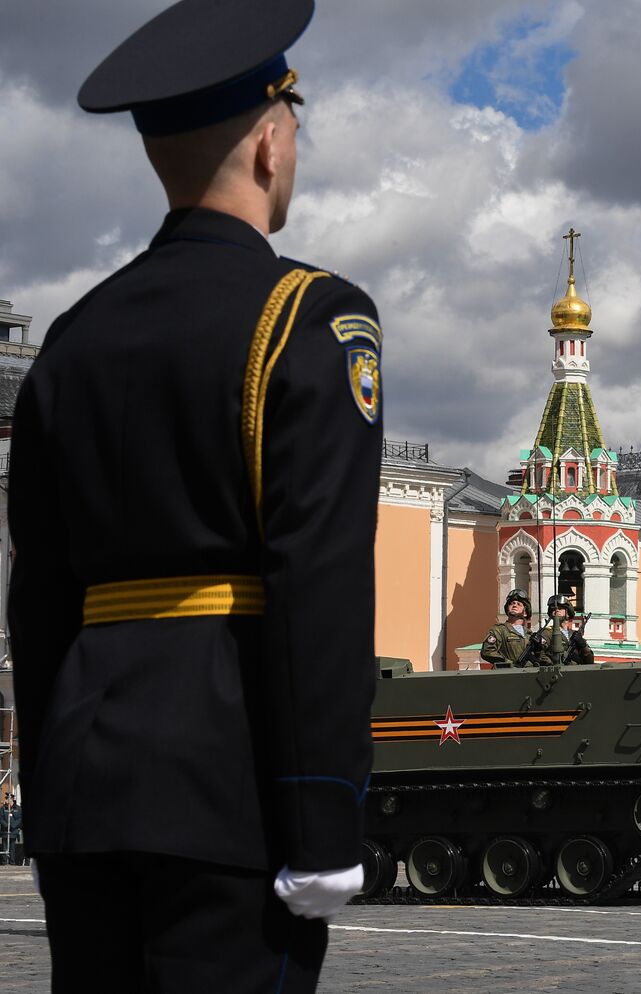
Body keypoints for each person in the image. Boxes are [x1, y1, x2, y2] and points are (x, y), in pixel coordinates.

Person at [7, 2, 380, 989]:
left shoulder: (73, 340)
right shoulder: (310, 317)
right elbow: (320, 578)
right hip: (231, 792)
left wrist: (52, 803)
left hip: (88, 793)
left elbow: (38, 601)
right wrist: (323, 813)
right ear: (267, 144)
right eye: (293, 122)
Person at [481, 589, 538, 668]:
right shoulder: (499, 630)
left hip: (528, 675)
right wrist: (509, 663)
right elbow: (488, 651)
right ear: (507, 609)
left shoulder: (530, 635)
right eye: (512, 603)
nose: (514, 605)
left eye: (519, 604)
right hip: (507, 675)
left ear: (525, 613)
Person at [538, 594, 595, 666]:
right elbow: (541, 655)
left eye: (560, 608)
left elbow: (590, 660)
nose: (557, 610)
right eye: (554, 609)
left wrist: (583, 646)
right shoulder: (546, 633)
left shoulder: (575, 635)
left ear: (567, 612)